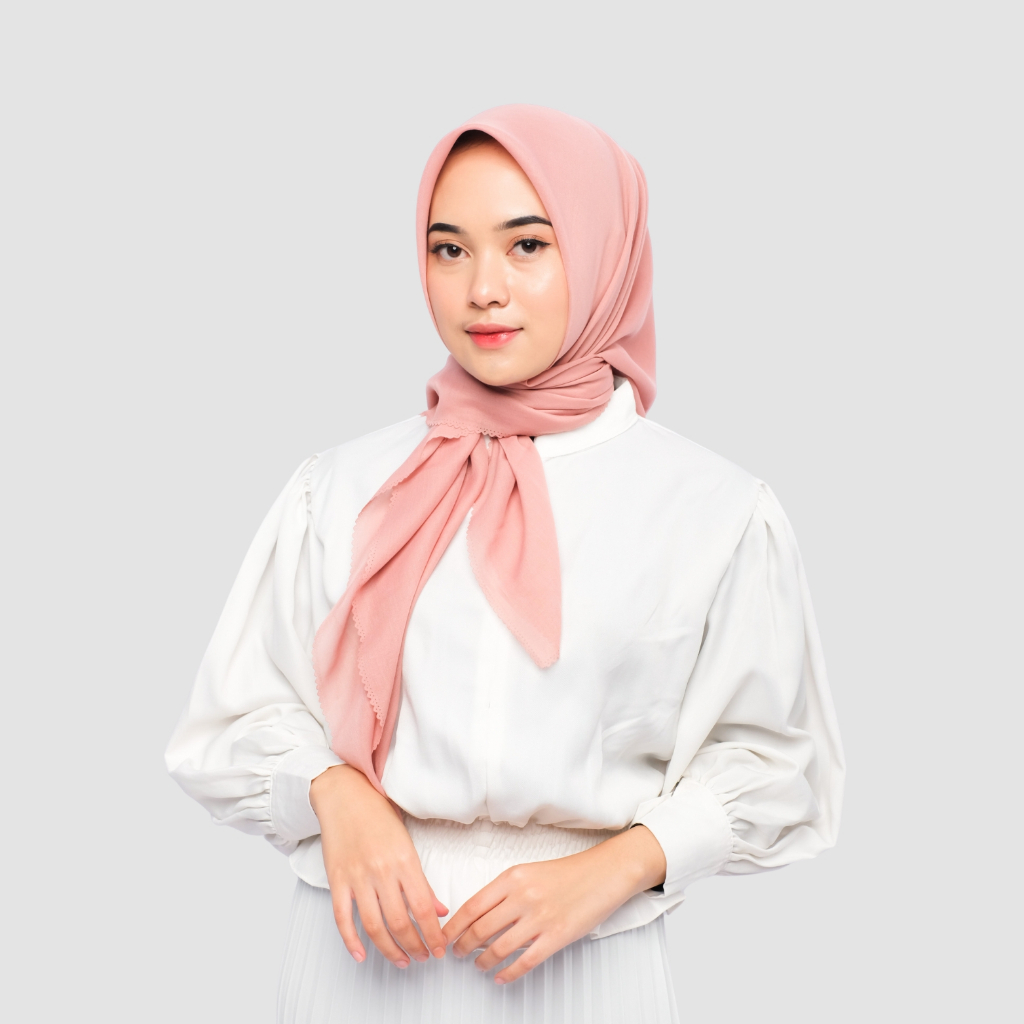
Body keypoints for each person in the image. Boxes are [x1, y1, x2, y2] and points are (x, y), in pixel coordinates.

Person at [166, 105, 844, 1024]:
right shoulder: (339, 488)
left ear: (603, 254)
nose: (483, 289)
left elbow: (775, 762)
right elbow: (230, 721)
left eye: (528, 245)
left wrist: (617, 867)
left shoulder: (712, 509)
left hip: (588, 970)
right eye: (449, 250)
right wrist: (334, 793)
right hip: (356, 963)